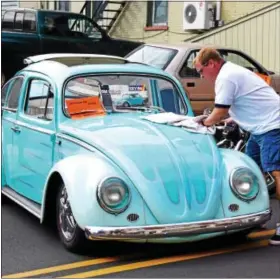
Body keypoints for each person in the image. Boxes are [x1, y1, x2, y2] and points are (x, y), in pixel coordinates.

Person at [193, 47, 280, 245]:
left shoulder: (226, 76)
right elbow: (243, 102)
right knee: (251, 169)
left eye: (200, 71)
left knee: (276, 171)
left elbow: (220, 110)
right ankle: (254, 216)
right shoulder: (231, 71)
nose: (201, 75)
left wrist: (203, 123)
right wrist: (232, 119)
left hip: (272, 126)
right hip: (260, 128)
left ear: (212, 64)